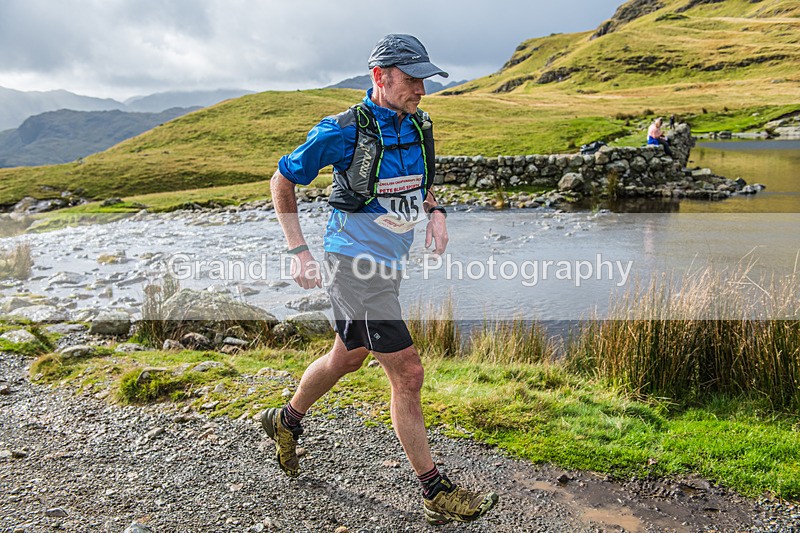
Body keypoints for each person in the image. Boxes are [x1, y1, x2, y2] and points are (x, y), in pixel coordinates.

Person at [262, 34, 499, 526]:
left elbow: (420, 181)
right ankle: (435, 491)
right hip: (351, 262)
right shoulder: (340, 131)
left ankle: (285, 419)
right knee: (408, 372)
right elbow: (281, 182)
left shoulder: (418, 126)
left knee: (346, 356)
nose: (421, 91)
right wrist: (298, 252)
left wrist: (436, 212)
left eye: (424, 80)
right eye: (412, 80)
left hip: (389, 263)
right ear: (380, 78)